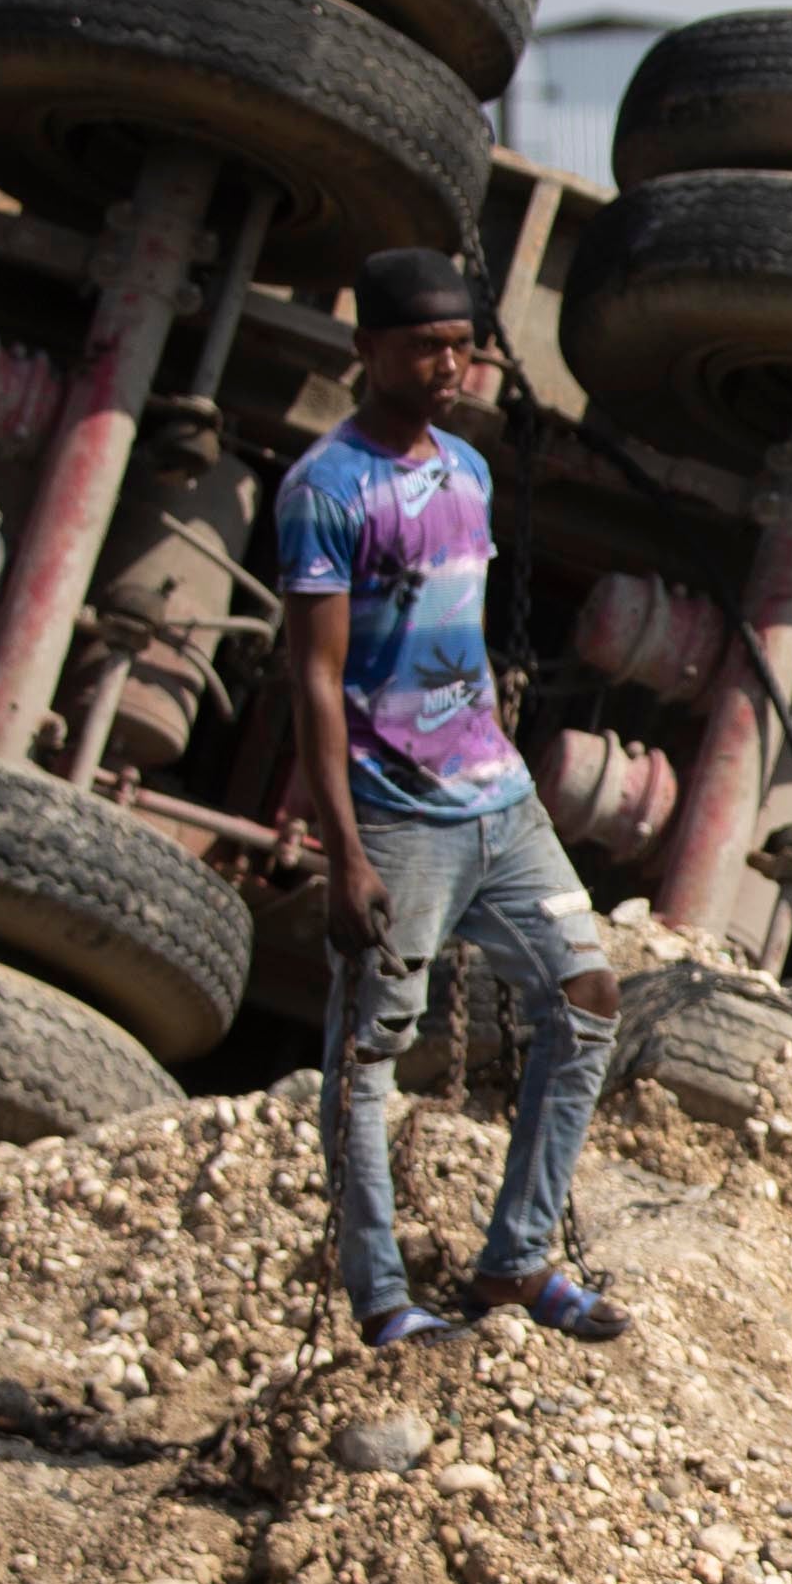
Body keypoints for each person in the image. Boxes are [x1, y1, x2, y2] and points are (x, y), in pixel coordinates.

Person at [277, 246, 630, 1350]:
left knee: (588, 996)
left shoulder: (470, 472)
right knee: (368, 1057)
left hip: (499, 802)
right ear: (366, 349)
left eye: (463, 347)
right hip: (393, 818)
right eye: (426, 346)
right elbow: (315, 679)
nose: (450, 367)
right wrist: (344, 852)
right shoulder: (326, 490)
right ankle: (382, 1299)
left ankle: (517, 1261)